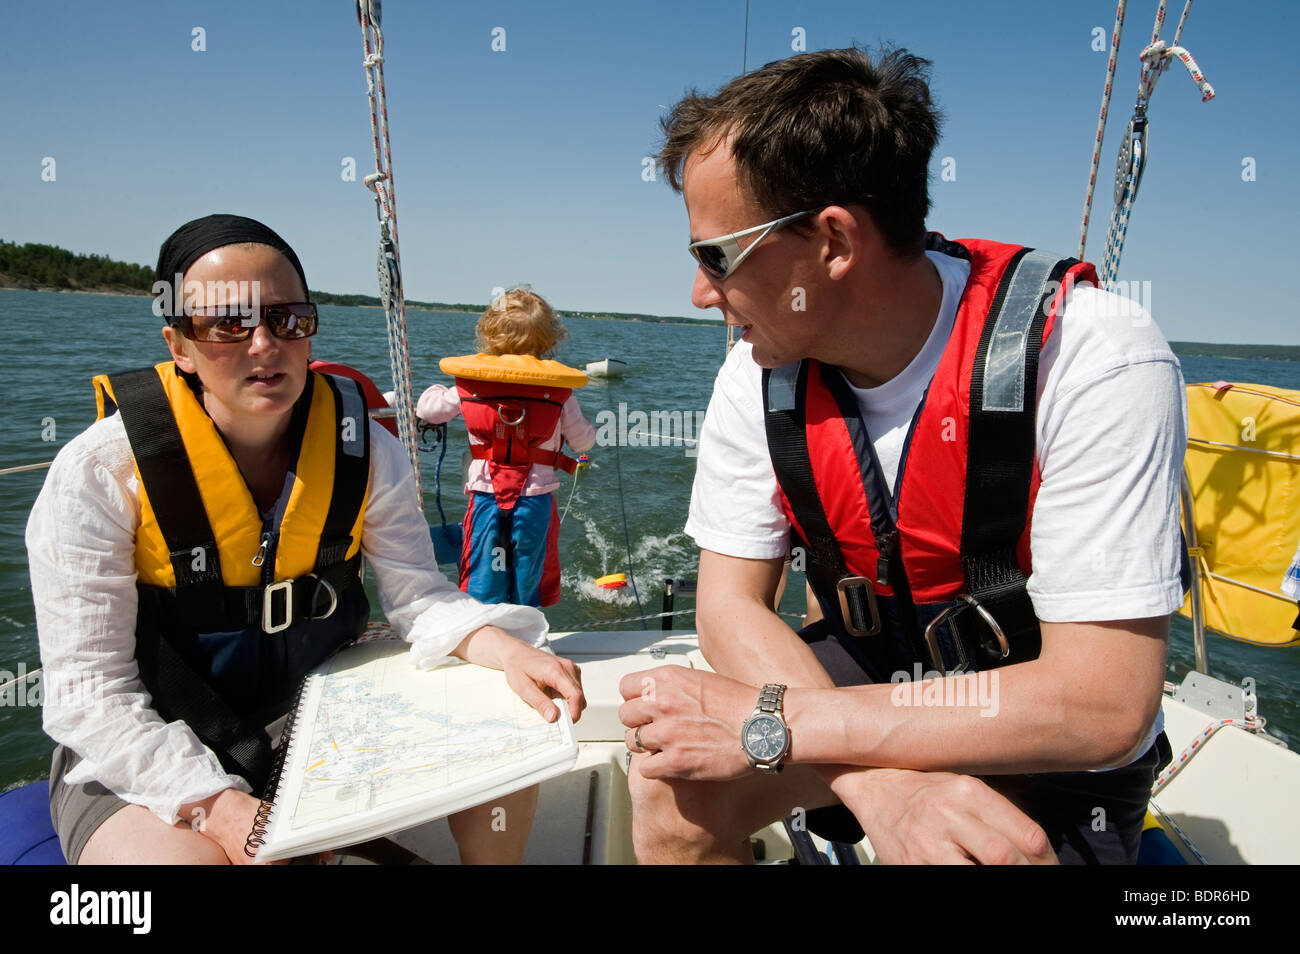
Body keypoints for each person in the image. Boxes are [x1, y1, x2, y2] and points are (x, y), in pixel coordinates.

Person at [618, 48, 1185, 864]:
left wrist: (793, 732)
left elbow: (1101, 704)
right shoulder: (759, 369)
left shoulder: (1093, 354)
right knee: (673, 792)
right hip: (866, 682)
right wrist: (881, 781)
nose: (701, 293)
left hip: (1038, 732)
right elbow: (730, 607)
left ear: (834, 241)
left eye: (717, 256)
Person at [28, 214, 584, 865]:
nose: (264, 344)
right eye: (228, 324)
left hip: (315, 714)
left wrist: (504, 648)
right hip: (146, 741)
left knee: (511, 707)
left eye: (287, 320)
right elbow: (90, 697)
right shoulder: (99, 472)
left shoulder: (367, 450)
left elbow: (417, 597)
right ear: (179, 343)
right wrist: (223, 808)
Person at [417, 288, 595, 608]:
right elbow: (583, 442)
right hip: (536, 502)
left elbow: (430, 412)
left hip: (485, 498)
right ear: (549, 340)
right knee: (528, 571)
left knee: (485, 570)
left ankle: (489, 635)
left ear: (488, 334)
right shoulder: (560, 392)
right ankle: (526, 631)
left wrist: (434, 390)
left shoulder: (469, 383)